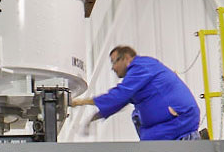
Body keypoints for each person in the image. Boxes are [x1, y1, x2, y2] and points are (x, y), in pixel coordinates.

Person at [71, 46, 200, 140]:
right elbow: (117, 103)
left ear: (126, 58)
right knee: (145, 138)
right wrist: (92, 119)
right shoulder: (136, 80)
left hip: (180, 118)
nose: (113, 68)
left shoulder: (141, 66)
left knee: (147, 145)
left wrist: (80, 102)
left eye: (114, 62)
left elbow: (119, 95)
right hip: (169, 122)